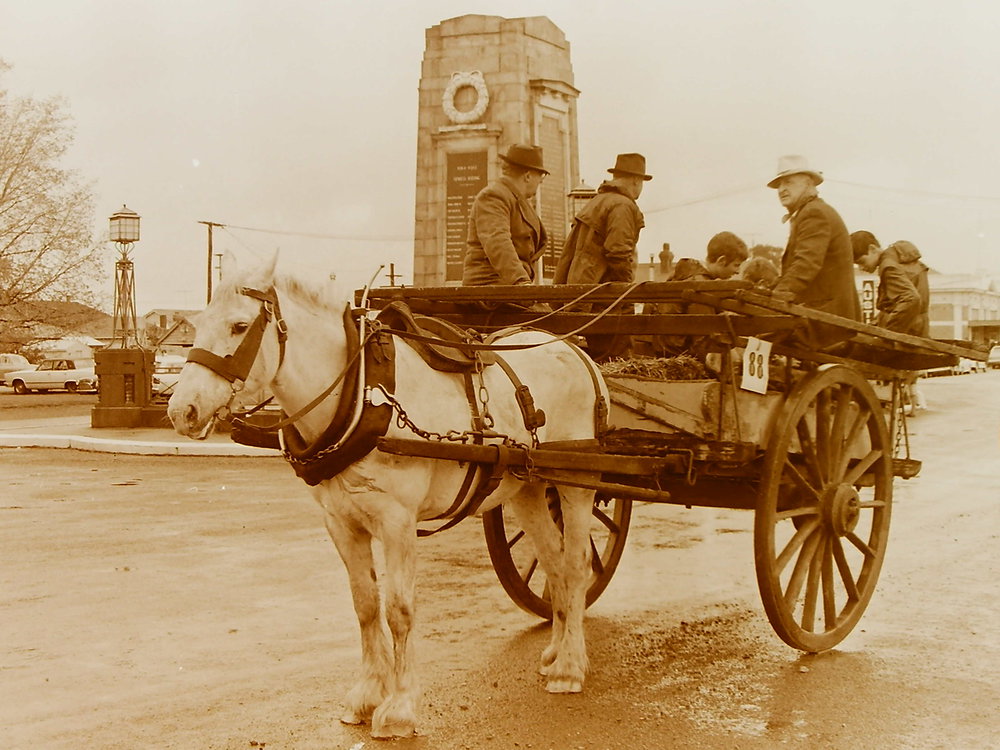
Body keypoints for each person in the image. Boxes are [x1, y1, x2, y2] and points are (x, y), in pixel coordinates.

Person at [553, 152, 652, 360]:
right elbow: (618, 252)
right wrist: (626, 293)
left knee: (599, 355)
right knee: (616, 357)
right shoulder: (623, 206)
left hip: (583, 293)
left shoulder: (597, 201)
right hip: (604, 298)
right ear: (636, 180)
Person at [767, 155, 862, 333]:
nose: (781, 189)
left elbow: (806, 264)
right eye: (779, 184)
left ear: (808, 183)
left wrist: (776, 297)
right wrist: (769, 291)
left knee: (760, 336)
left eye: (788, 182)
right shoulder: (809, 212)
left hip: (827, 320)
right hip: (823, 316)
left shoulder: (813, 213)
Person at [642, 232, 749, 358]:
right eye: (736, 265)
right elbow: (702, 342)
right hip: (680, 355)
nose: (737, 271)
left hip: (665, 350)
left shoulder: (683, 275)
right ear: (722, 261)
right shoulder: (701, 287)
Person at [462, 143, 548, 288]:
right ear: (527, 176)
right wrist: (520, 281)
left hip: (507, 289)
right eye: (540, 176)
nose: (541, 181)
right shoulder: (494, 196)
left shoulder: (516, 199)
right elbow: (497, 241)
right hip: (489, 289)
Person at [851, 231, 923, 336]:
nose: (861, 268)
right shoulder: (900, 260)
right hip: (916, 330)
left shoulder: (888, 267)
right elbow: (893, 306)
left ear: (872, 249)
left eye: (861, 262)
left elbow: (911, 299)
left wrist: (888, 334)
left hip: (906, 337)